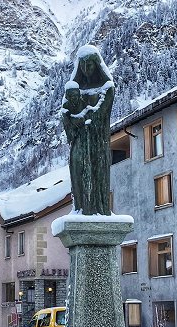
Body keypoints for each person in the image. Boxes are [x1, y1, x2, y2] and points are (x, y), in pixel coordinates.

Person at [61, 44, 114, 216]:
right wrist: (73, 122)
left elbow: (100, 112)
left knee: (96, 173)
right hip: (79, 139)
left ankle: (97, 209)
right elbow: (64, 112)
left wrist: (84, 117)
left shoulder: (107, 87)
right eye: (82, 66)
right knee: (78, 170)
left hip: (98, 140)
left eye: (89, 65)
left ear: (97, 65)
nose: (86, 69)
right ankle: (81, 208)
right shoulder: (74, 89)